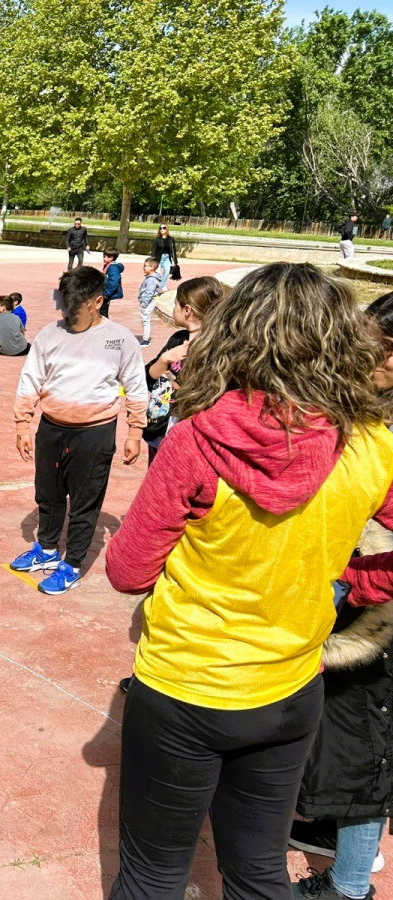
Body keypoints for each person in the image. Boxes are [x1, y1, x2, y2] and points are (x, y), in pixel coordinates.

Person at [104, 262, 393, 900]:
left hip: (187, 685)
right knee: (259, 871)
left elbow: (127, 571)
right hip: (291, 688)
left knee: (152, 876)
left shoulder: (197, 439)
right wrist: (356, 578)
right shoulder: (371, 441)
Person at [287, 290, 393, 900]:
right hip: (356, 587)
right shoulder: (361, 409)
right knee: (343, 737)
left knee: (363, 752)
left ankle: (350, 886)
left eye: (371, 348)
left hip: (375, 609)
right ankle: (331, 828)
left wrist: (360, 582)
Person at [9, 265, 146, 594]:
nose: (68, 313)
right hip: (52, 428)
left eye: (76, 307)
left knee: (85, 502)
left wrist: (135, 433)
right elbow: (30, 380)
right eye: (64, 305)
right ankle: (47, 550)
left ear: (97, 301)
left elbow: (136, 387)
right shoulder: (49, 335)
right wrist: (23, 425)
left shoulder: (119, 339)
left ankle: (71, 565)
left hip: (95, 433)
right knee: (48, 493)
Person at [137, 275, 228, 465]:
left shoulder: (218, 349)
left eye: (176, 304)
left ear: (187, 311)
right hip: (160, 430)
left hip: (190, 439)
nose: (173, 308)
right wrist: (164, 359)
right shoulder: (178, 339)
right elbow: (148, 378)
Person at [136, 257, 162, 347]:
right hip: (148, 302)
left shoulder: (151, 280)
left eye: (146, 266)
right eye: (144, 265)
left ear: (152, 268)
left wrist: (144, 304)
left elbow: (149, 293)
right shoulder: (150, 278)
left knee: (145, 320)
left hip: (148, 302)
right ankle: (145, 338)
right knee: (144, 320)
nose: (144, 268)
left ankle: (145, 340)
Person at [151, 224, 178, 290]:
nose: (162, 229)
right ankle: (156, 286)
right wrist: (153, 260)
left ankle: (162, 285)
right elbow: (153, 250)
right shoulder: (157, 239)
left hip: (166, 257)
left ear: (167, 229)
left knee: (167, 270)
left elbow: (173, 250)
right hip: (158, 258)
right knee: (158, 273)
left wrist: (175, 261)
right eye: (160, 228)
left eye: (164, 228)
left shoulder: (171, 239)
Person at [101, 247, 124, 318]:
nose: (104, 258)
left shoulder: (113, 268)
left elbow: (114, 282)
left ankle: (105, 327)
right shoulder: (108, 266)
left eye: (105, 256)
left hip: (107, 293)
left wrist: (106, 293)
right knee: (101, 311)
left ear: (111, 258)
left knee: (103, 312)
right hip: (105, 291)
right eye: (104, 256)